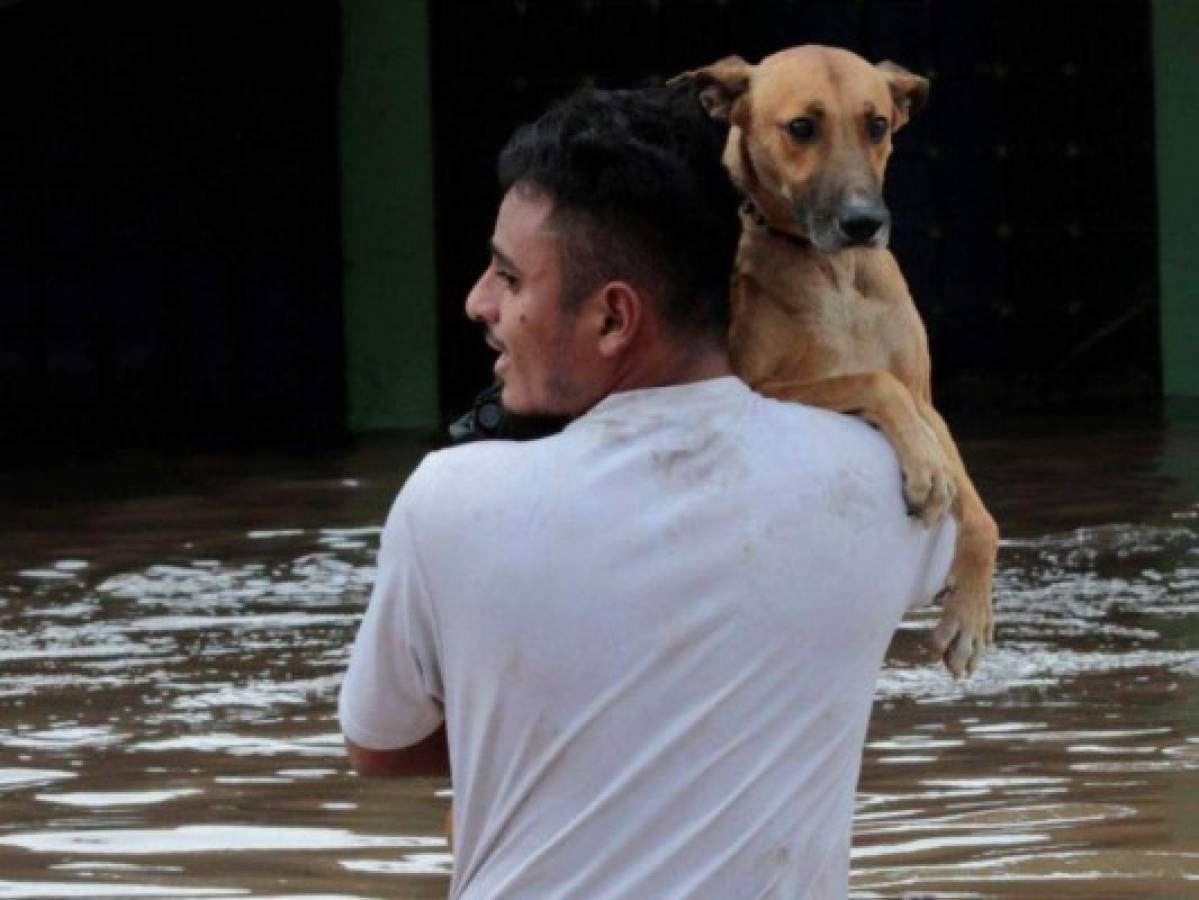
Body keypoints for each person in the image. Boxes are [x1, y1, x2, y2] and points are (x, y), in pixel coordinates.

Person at [339, 81, 955, 899]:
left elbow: (380, 745)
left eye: (507, 277)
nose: (477, 302)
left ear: (613, 319)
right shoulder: (881, 479)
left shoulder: (452, 499)